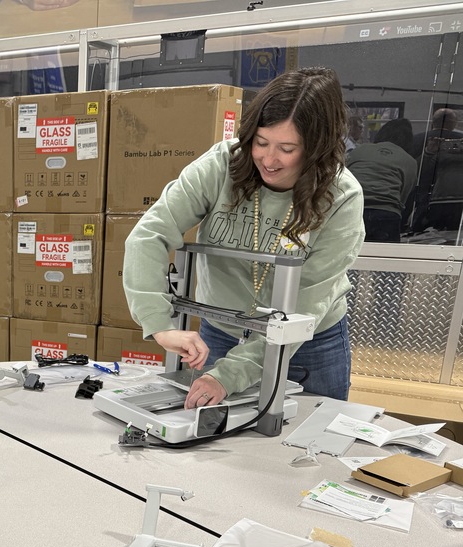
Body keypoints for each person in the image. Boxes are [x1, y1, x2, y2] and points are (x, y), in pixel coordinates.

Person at [123, 67, 364, 407]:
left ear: (316, 149)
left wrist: (229, 375)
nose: (269, 158)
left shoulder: (340, 196)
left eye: (287, 148)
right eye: (261, 142)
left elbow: (305, 304)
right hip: (222, 331)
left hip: (308, 344)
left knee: (306, 440)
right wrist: (158, 323)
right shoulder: (223, 165)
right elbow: (148, 235)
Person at [346, 118, 417, 242]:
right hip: (387, 212)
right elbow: (404, 195)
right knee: (385, 257)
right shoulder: (409, 160)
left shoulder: (360, 150)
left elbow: (344, 177)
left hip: (354, 208)